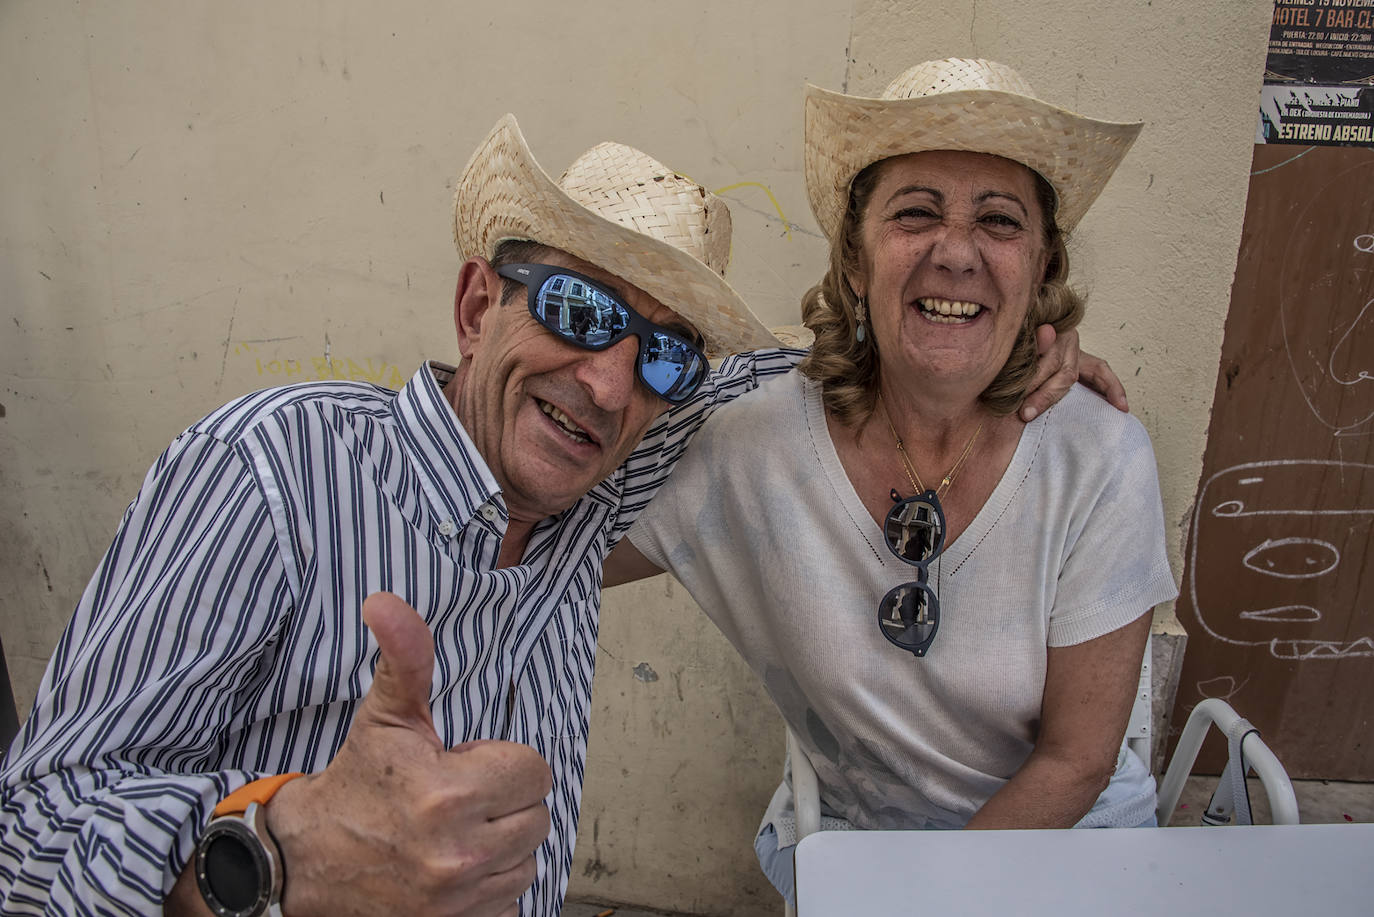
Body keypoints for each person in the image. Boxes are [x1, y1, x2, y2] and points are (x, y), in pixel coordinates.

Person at [0, 113, 811, 917]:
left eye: (664, 356)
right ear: (475, 308)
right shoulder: (273, 472)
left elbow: (787, 376)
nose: (608, 385)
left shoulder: (590, 505)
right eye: (579, 310)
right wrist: (284, 854)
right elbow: (26, 839)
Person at [609, 58, 1178, 906]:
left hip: (1064, 849)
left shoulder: (1098, 456)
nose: (957, 252)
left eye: (1000, 222)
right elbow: (551, 537)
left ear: (1041, 267)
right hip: (861, 852)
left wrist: (931, 899)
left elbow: (1077, 760)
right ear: (854, 260)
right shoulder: (749, 437)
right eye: (915, 213)